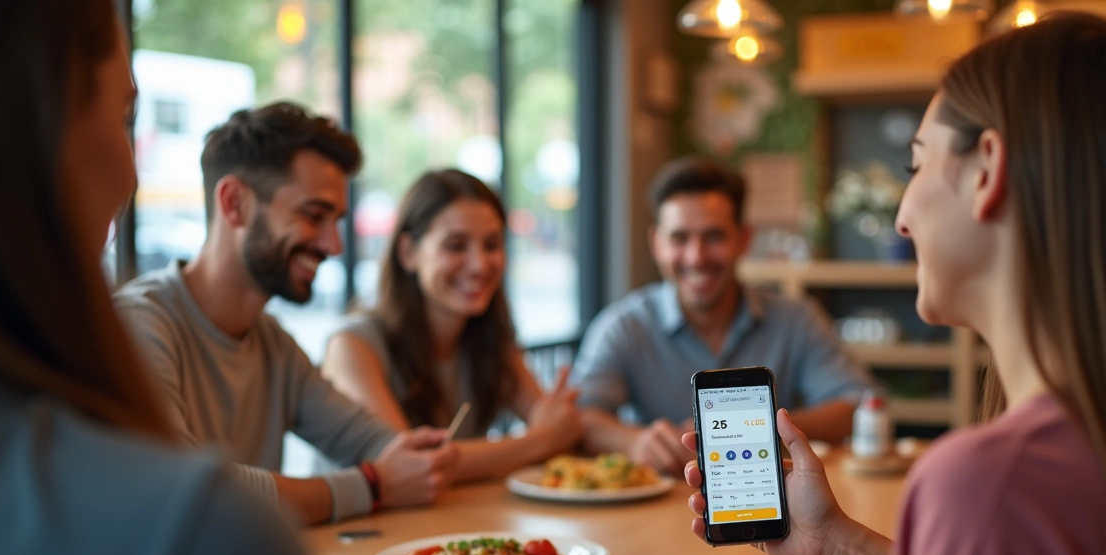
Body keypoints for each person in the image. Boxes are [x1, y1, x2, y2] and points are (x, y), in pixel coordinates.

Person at [683, 13, 1106, 555]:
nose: (901, 218)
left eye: (914, 167)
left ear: (986, 172)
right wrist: (836, 543)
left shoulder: (988, 484)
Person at [0, 1, 353, 555]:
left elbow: (388, 451)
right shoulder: (197, 537)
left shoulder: (273, 344)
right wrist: (366, 484)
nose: (131, 169)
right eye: (124, 118)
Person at [114, 103, 459, 526]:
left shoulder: (272, 342)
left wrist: (415, 460)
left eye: (336, 221)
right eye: (313, 216)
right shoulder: (138, 325)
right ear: (234, 202)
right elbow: (185, 490)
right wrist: (371, 486)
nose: (334, 245)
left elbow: (375, 444)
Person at [571, 157, 872, 476]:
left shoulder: (795, 319)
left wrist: (753, 425)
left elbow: (859, 404)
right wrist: (634, 443)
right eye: (679, 238)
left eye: (714, 237)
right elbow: (580, 418)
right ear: (657, 243)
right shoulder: (624, 325)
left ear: (743, 240)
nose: (696, 257)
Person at [322, 169, 583, 483]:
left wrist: (556, 431)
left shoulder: (488, 338)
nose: (479, 265)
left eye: (491, 245)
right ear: (408, 253)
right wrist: (539, 442)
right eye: (456, 246)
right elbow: (412, 467)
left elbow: (559, 427)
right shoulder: (353, 346)